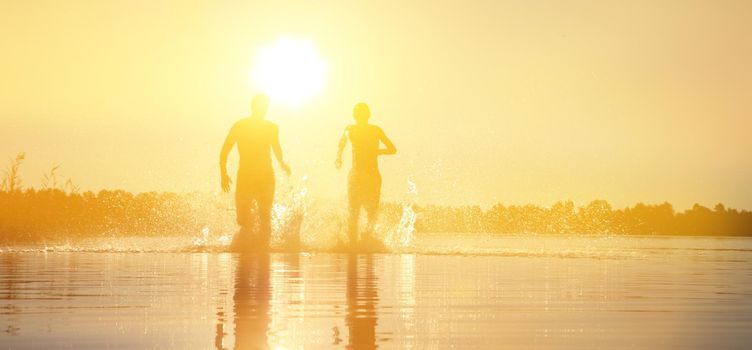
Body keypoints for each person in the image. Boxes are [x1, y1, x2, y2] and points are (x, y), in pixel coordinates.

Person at [220, 94, 290, 250]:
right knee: (242, 219)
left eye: (265, 106)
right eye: (260, 106)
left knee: (265, 215)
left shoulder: (271, 127)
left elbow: (277, 149)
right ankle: (246, 246)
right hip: (245, 176)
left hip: (266, 176)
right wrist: (223, 173)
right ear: (253, 107)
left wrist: (282, 164)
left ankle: (263, 253)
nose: (263, 109)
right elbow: (225, 150)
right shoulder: (240, 126)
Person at [335, 103, 396, 246]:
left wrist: (377, 152)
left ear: (368, 115)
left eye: (363, 114)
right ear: (355, 116)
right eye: (359, 114)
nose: (361, 117)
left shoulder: (375, 130)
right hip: (355, 174)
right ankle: (353, 244)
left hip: (372, 175)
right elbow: (341, 143)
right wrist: (338, 157)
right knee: (353, 210)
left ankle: (367, 241)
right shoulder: (349, 129)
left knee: (371, 211)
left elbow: (393, 149)